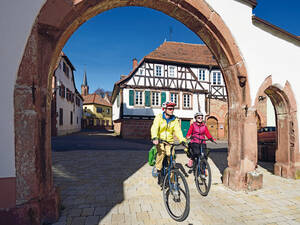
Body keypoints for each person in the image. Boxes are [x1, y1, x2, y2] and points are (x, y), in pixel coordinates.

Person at [151, 101, 186, 184]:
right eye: (170, 109)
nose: (172, 110)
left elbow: (178, 131)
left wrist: (182, 140)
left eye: (173, 109)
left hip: (169, 141)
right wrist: (155, 137)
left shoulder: (175, 120)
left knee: (171, 158)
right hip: (160, 140)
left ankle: (172, 181)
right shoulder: (159, 117)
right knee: (162, 152)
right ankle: (158, 168)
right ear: (164, 109)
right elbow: (155, 127)